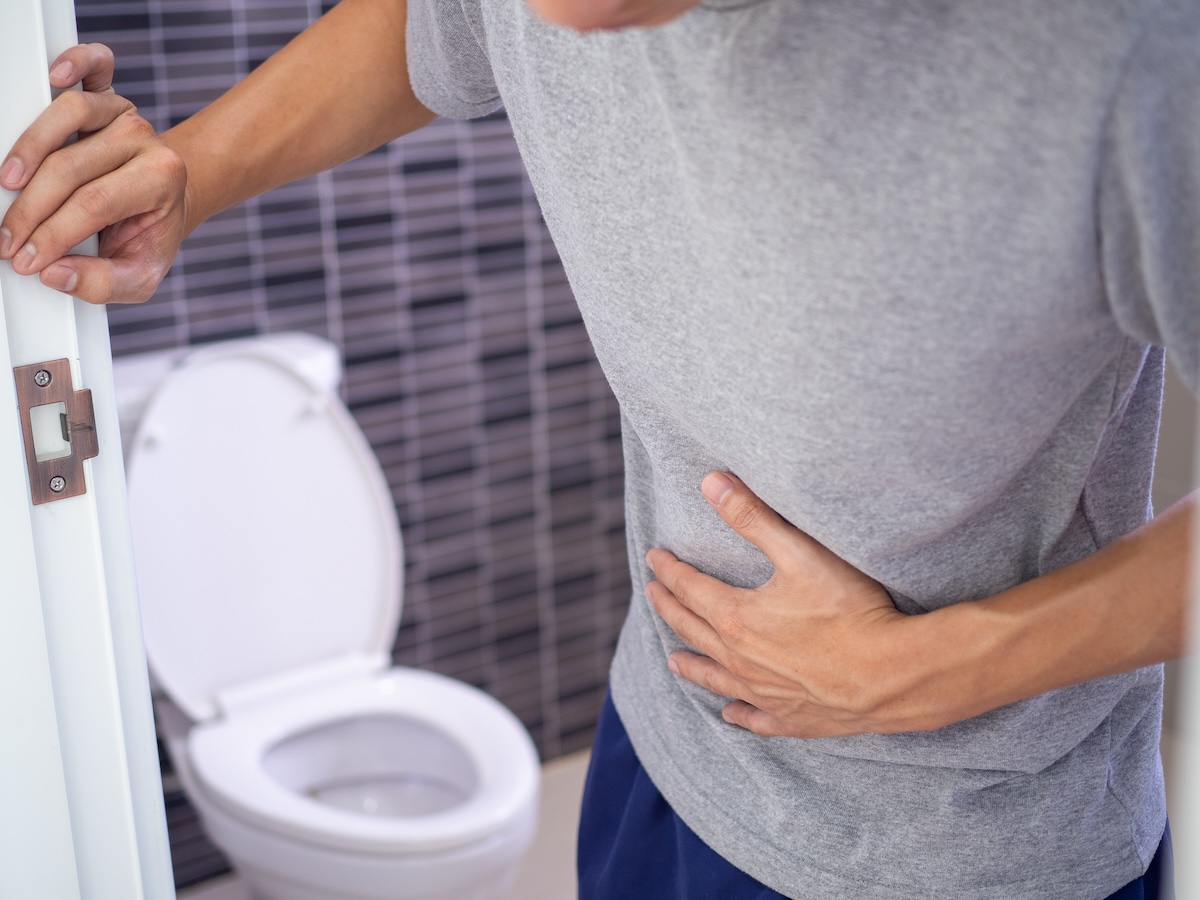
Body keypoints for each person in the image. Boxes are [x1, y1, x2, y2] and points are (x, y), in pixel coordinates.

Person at [1, 0, 1196, 896]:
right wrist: (195, 170)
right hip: (663, 745)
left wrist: (935, 670)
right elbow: (434, 25)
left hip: (960, 850)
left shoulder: (1123, 57)